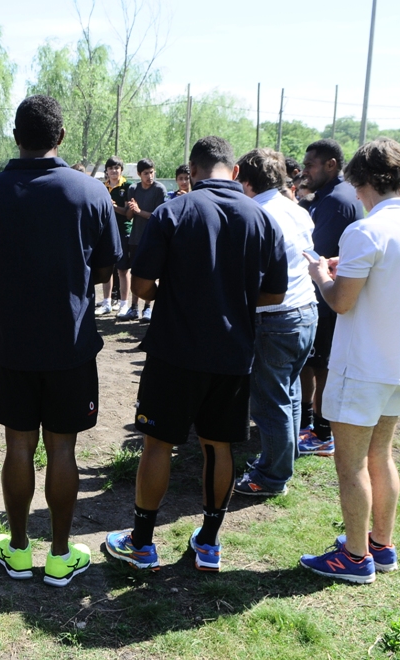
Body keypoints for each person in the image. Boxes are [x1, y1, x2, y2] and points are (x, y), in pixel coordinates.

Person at [104, 136, 287, 573]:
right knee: (218, 446)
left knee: (157, 443)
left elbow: (143, 286)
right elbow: (275, 292)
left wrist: (186, 298)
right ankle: (208, 543)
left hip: (175, 350)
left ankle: (142, 542)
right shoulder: (261, 219)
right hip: (232, 353)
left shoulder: (174, 211)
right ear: (235, 172)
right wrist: (230, 301)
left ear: (192, 168)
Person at [0, 95, 122, 587]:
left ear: (16, 136)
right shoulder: (90, 192)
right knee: (63, 450)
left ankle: (16, 548)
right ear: (61, 137)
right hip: (70, 344)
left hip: (11, 342)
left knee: (17, 446)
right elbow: (108, 263)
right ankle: (58, 555)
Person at [300, 138, 400, 583]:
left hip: (361, 366)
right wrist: (349, 266)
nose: (355, 196)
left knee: (351, 463)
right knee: (382, 455)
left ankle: (355, 557)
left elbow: (340, 302)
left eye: (356, 187)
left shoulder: (365, 230)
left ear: (367, 181)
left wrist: (321, 275)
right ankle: (381, 544)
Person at [233, 149, 317, 497]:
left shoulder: (259, 214)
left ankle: (272, 476)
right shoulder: (295, 210)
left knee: (270, 400)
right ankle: (285, 458)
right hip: (306, 311)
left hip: (275, 317)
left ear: (247, 181)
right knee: (290, 390)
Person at [298, 139, 364, 456]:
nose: (304, 169)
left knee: (323, 365)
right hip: (318, 294)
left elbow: (316, 250)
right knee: (311, 363)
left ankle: (322, 433)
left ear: (331, 165)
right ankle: (306, 423)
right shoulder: (325, 197)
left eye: (310, 164)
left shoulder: (337, 201)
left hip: (327, 297)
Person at [119, 158, 166, 321]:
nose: (150, 176)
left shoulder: (160, 189)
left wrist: (138, 210)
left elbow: (158, 216)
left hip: (153, 239)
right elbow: (128, 215)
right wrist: (132, 209)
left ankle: (147, 308)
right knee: (135, 273)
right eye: (146, 173)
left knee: (150, 275)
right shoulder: (133, 188)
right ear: (139, 174)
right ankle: (133, 308)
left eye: (152, 172)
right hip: (135, 238)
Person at [97, 157, 129, 317]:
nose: (114, 171)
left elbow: (129, 213)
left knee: (123, 269)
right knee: (107, 267)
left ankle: (124, 303)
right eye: (111, 168)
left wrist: (114, 207)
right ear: (107, 171)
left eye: (117, 168)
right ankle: (107, 302)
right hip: (105, 231)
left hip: (123, 231)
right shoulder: (102, 187)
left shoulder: (128, 186)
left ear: (121, 170)